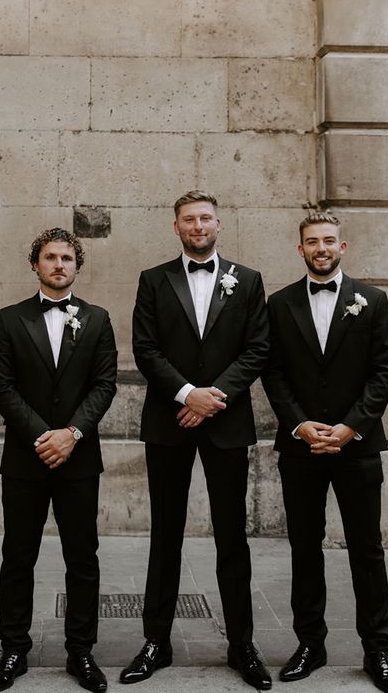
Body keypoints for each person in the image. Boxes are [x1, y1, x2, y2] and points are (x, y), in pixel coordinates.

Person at [120, 190, 271, 689]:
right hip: (170, 421)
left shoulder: (247, 281)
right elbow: (145, 348)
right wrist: (187, 394)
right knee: (166, 534)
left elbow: (257, 349)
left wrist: (214, 397)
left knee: (233, 537)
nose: (198, 225)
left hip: (226, 424)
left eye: (206, 217)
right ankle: (155, 642)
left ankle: (241, 644)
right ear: (176, 226)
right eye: (189, 219)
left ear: (219, 223)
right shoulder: (153, 280)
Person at [261, 205, 388, 693]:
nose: (321, 249)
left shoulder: (373, 300)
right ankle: (309, 644)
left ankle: (377, 650)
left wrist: (349, 428)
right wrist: (300, 425)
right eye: (312, 242)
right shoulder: (278, 305)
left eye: (329, 241)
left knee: (367, 549)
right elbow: (273, 373)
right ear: (300, 250)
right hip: (301, 449)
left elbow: (384, 371)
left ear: (342, 247)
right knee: (304, 548)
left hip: (357, 447)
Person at [0, 228, 117, 693]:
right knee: (18, 556)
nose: (58, 264)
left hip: (79, 459)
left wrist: (72, 433)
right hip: (25, 458)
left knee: (82, 558)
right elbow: (1, 386)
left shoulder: (98, 320)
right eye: (49, 257)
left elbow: (105, 385)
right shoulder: (9, 319)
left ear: (77, 266)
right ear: (35, 264)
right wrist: (44, 435)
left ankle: (81, 651)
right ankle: (13, 650)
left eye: (66, 258)